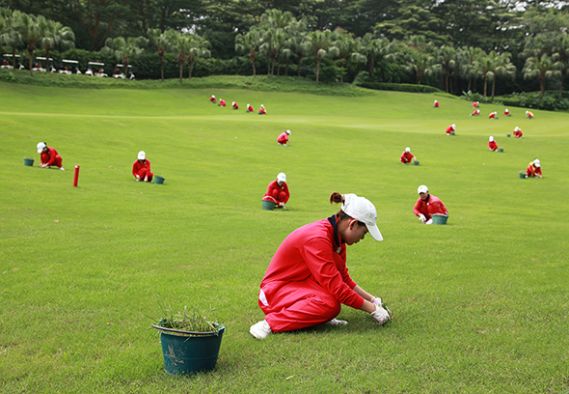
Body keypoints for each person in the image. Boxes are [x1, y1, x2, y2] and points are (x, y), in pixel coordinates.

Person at [250, 192, 391, 340]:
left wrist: (373, 300)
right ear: (353, 224)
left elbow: (343, 278)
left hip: (297, 286)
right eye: (364, 233)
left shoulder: (338, 240)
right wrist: (373, 310)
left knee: (331, 302)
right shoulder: (317, 238)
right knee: (330, 304)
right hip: (274, 293)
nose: (361, 238)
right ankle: (268, 324)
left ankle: (319, 317)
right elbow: (336, 286)